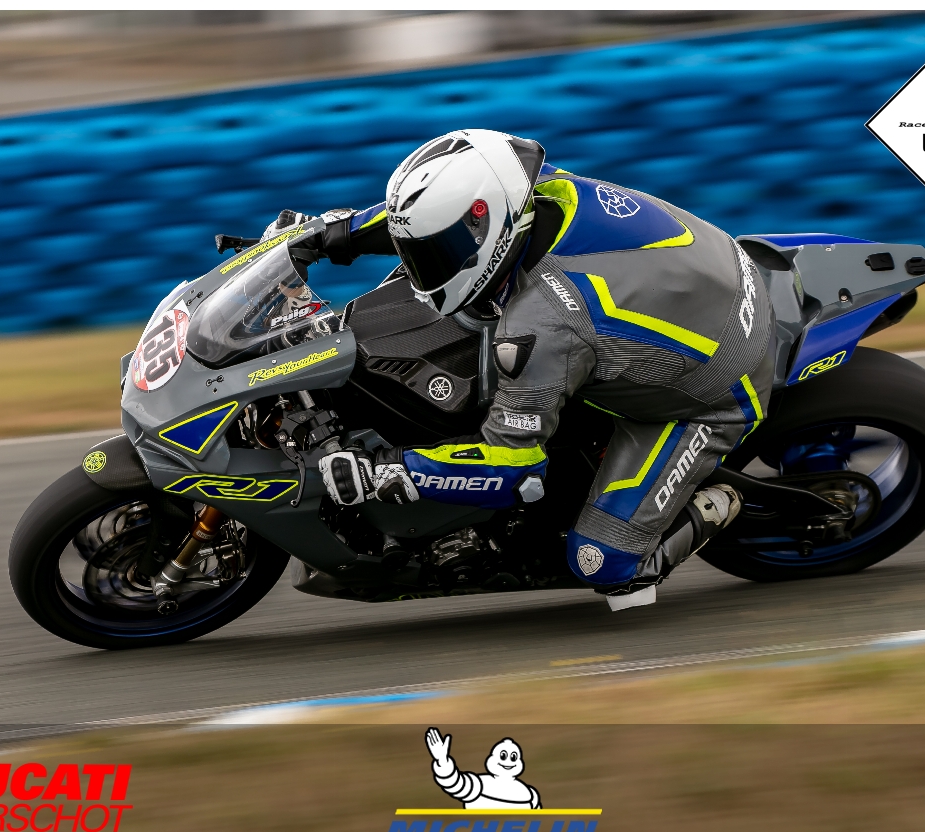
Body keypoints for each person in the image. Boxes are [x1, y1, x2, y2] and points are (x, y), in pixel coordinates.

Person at [269, 129, 774, 610]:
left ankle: (714, 504)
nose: (425, 267)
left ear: (488, 227)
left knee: (602, 564)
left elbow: (512, 469)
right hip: (712, 277)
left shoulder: (545, 323)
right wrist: (331, 234)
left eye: (438, 254)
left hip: (714, 390)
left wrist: (387, 470)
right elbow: (420, 221)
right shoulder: (527, 185)